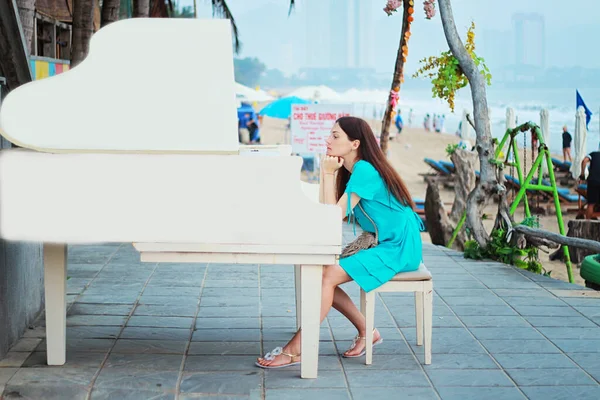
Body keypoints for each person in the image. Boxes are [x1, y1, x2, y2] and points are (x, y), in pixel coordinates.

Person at [255, 116, 424, 369]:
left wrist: (328, 173)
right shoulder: (351, 170)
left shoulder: (365, 169)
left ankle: (296, 348)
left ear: (355, 143)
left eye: (335, 136)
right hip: (384, 241)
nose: (328, 140)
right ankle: (368, 332)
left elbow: (335, 215)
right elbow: (328, 212)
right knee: (325, 274)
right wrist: (326, 172)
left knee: (326, 275)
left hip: (398, 245)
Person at [580, 149, 600, 219]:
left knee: (591, 204)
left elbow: (584, 161)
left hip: (593, 181)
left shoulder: (593, 154)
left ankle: (587, 225)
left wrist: (582, 174)